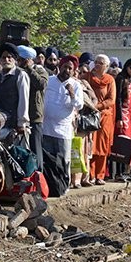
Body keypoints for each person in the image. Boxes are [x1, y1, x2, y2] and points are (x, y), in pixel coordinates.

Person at [43, 55, 84, 183]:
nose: (67, 70)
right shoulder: (49, 81)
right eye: (65, 67)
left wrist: (72, 94)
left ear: (73, 71)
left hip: (64, 130)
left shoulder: (76, 85)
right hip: (47, 128)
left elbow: (79, 105)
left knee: (64, 160)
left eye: (70, 68)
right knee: (48, 159)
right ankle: (50, 185)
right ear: (60, 67)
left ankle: (63, 185)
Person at [83, 54, 116, 185]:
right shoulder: (87, 78)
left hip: (104, 116)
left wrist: (98, 106)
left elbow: (111, 99)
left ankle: (100, 175)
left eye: (100, 63)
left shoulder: (110, 80)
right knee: (90, 146)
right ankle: (90, 175)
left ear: (106, 66)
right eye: (96, 62)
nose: (97, 65)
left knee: (102, 148)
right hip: (90, 116)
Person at [17, 45, 49, 171]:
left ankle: (39, 178)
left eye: (22, 59)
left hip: (35, 117)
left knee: (36, 150)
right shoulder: (17, 71)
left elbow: (42, 84)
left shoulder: (40, 70)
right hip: (19, 117)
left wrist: (30, 68)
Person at [0, 43, 30, 140]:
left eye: (9, 57)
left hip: (14, 124)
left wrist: (21, 123)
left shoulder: (21, 75)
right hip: (0, 121)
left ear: (15, 59)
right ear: (0, 60)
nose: (6, 60)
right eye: (3, 58)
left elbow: (23, 100)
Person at [113, 58, 131, 181]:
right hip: (124, 114)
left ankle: (128, 171)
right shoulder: (120, 79)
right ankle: (119, 173)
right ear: (126, 67)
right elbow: (118, 99)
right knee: (122, 143)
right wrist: (119, 117)